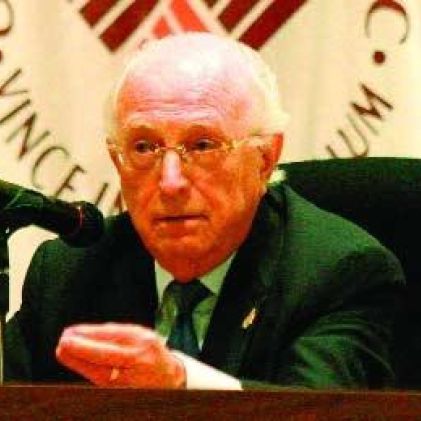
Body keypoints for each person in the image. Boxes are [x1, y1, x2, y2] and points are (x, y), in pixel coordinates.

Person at [5, 32, 404, 389]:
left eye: (202, 146)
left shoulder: (338, 274)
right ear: (117, 160)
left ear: (265, 158)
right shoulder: (68, 271)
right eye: (144, 147)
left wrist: (181, 385)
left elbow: (318, 412)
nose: (170, 182)